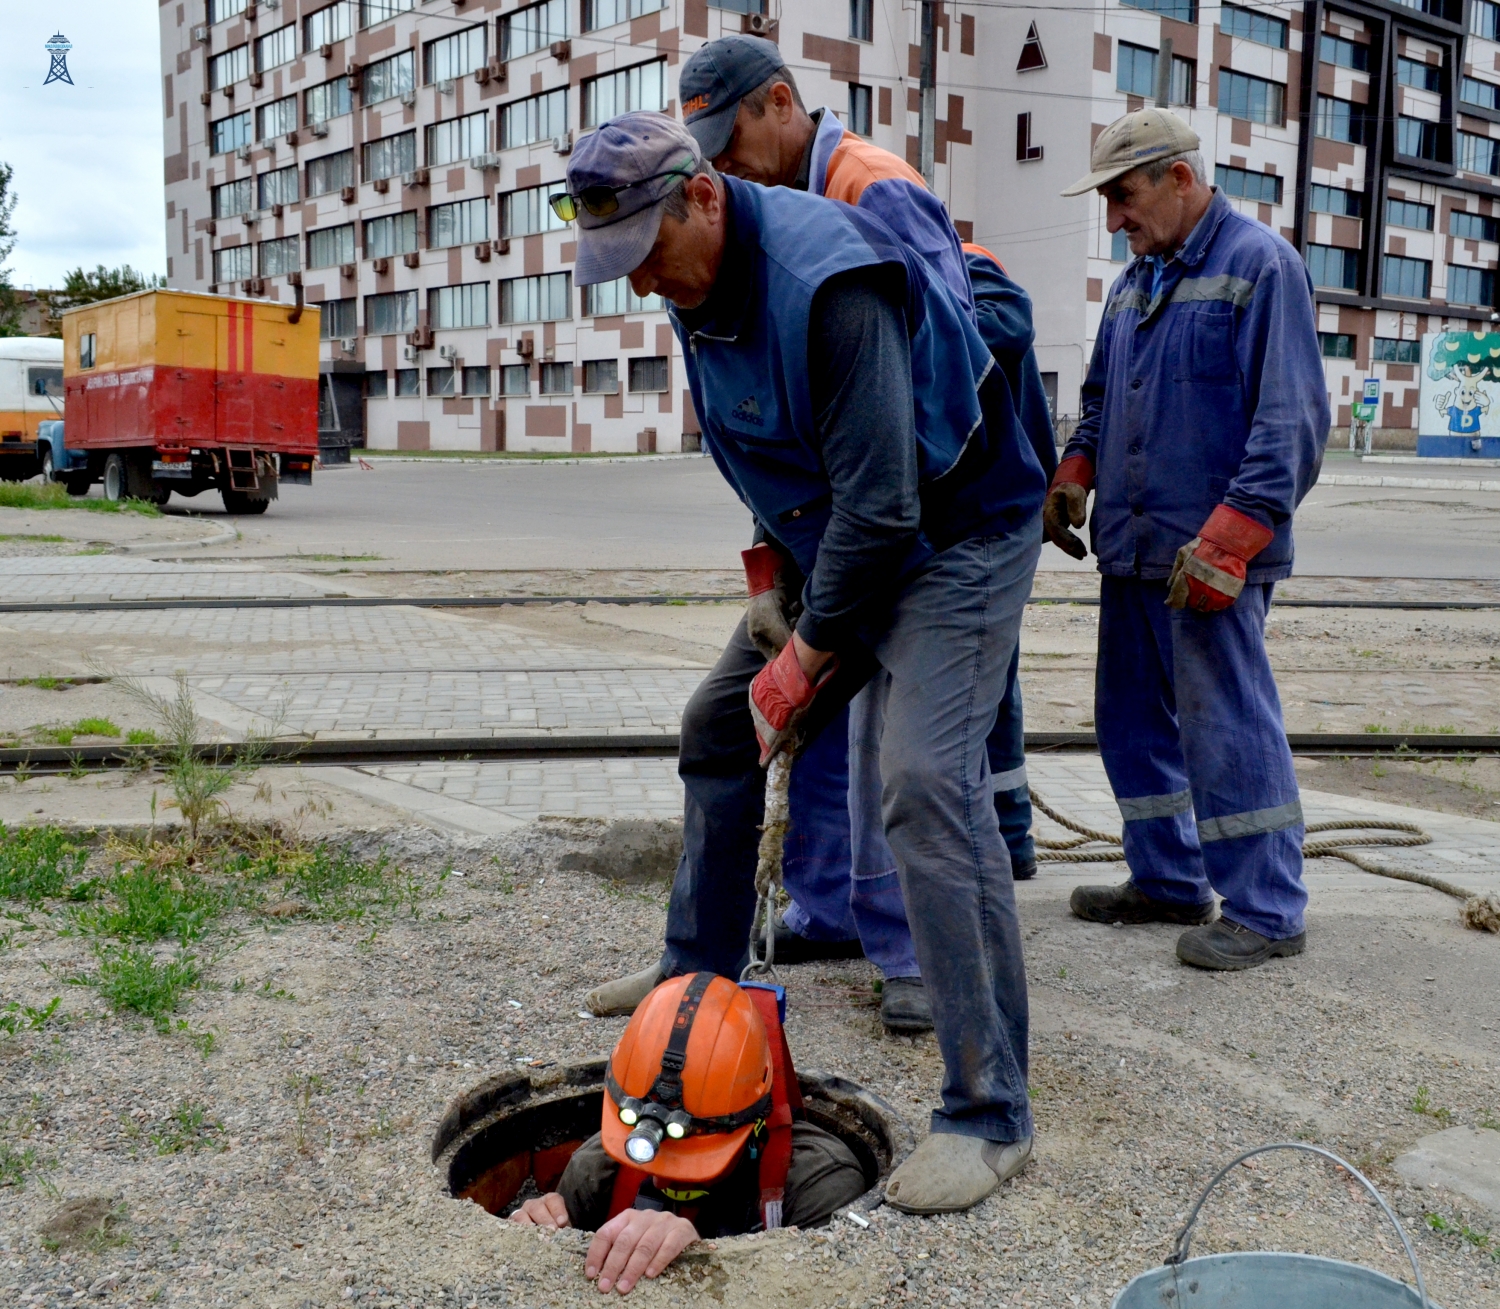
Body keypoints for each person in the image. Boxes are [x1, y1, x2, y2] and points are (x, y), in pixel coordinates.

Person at [558, 111, 1046, 1213]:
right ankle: (697, 975)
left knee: (925, 785)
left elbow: (883, 509)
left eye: (647, 256)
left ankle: (989, 1112)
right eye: (618, 267)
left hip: (955, 534)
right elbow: (769, 452)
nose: (640, 288)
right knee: (716, 725)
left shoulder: (831, 281)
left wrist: (809, 657)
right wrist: (770, 587)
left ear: (705, 198)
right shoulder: (694, 286)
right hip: (846, 537)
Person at [1050, 109, 1327, 970]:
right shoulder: (1135, 282)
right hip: (1135, 548)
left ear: (1178, 177)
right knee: (1131, 722)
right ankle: (1168, 877)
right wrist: (1074, 473)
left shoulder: (1261, 267)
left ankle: (1269, 908)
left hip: (1212, 558)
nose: (1114, 218)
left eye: (1123, 196)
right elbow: (1100, 398)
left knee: (1226, 725)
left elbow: (1291, 423)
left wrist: (1233, 539)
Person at [510, 973, 866, 1295]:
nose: (667, 1173)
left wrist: (706, 1262)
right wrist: (540, 1227)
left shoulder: (820, 1183)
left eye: (693, 1153)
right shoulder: (601, 1167)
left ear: (756, 1117)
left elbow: (819, 1291)